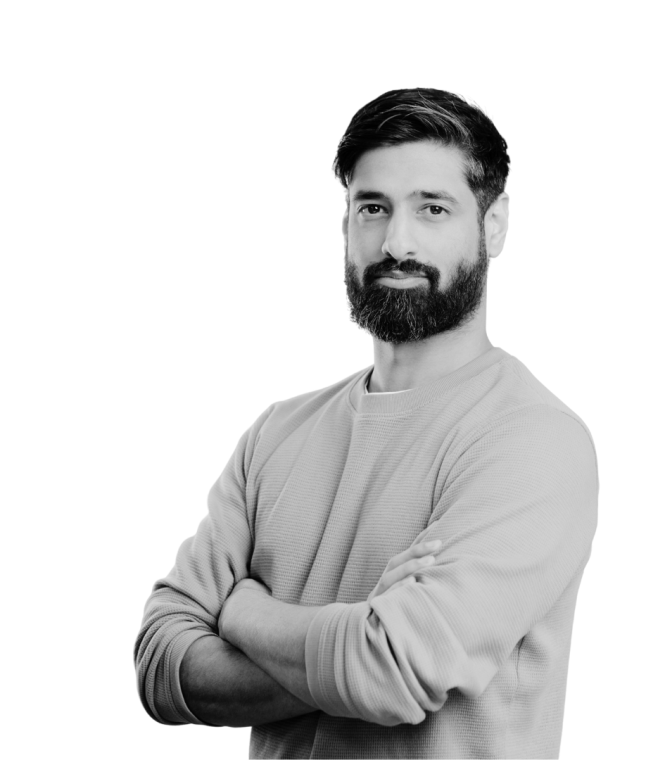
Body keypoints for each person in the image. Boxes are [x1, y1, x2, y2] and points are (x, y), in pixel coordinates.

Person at [135, 87, 599, 759]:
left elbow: (391, 669)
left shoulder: (533, 441)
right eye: (373, 208)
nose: (396, 242)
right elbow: (159, 662)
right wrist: (353, 638)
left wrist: (244, 612)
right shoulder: (276, 435)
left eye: (432, 208)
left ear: (494, 224)